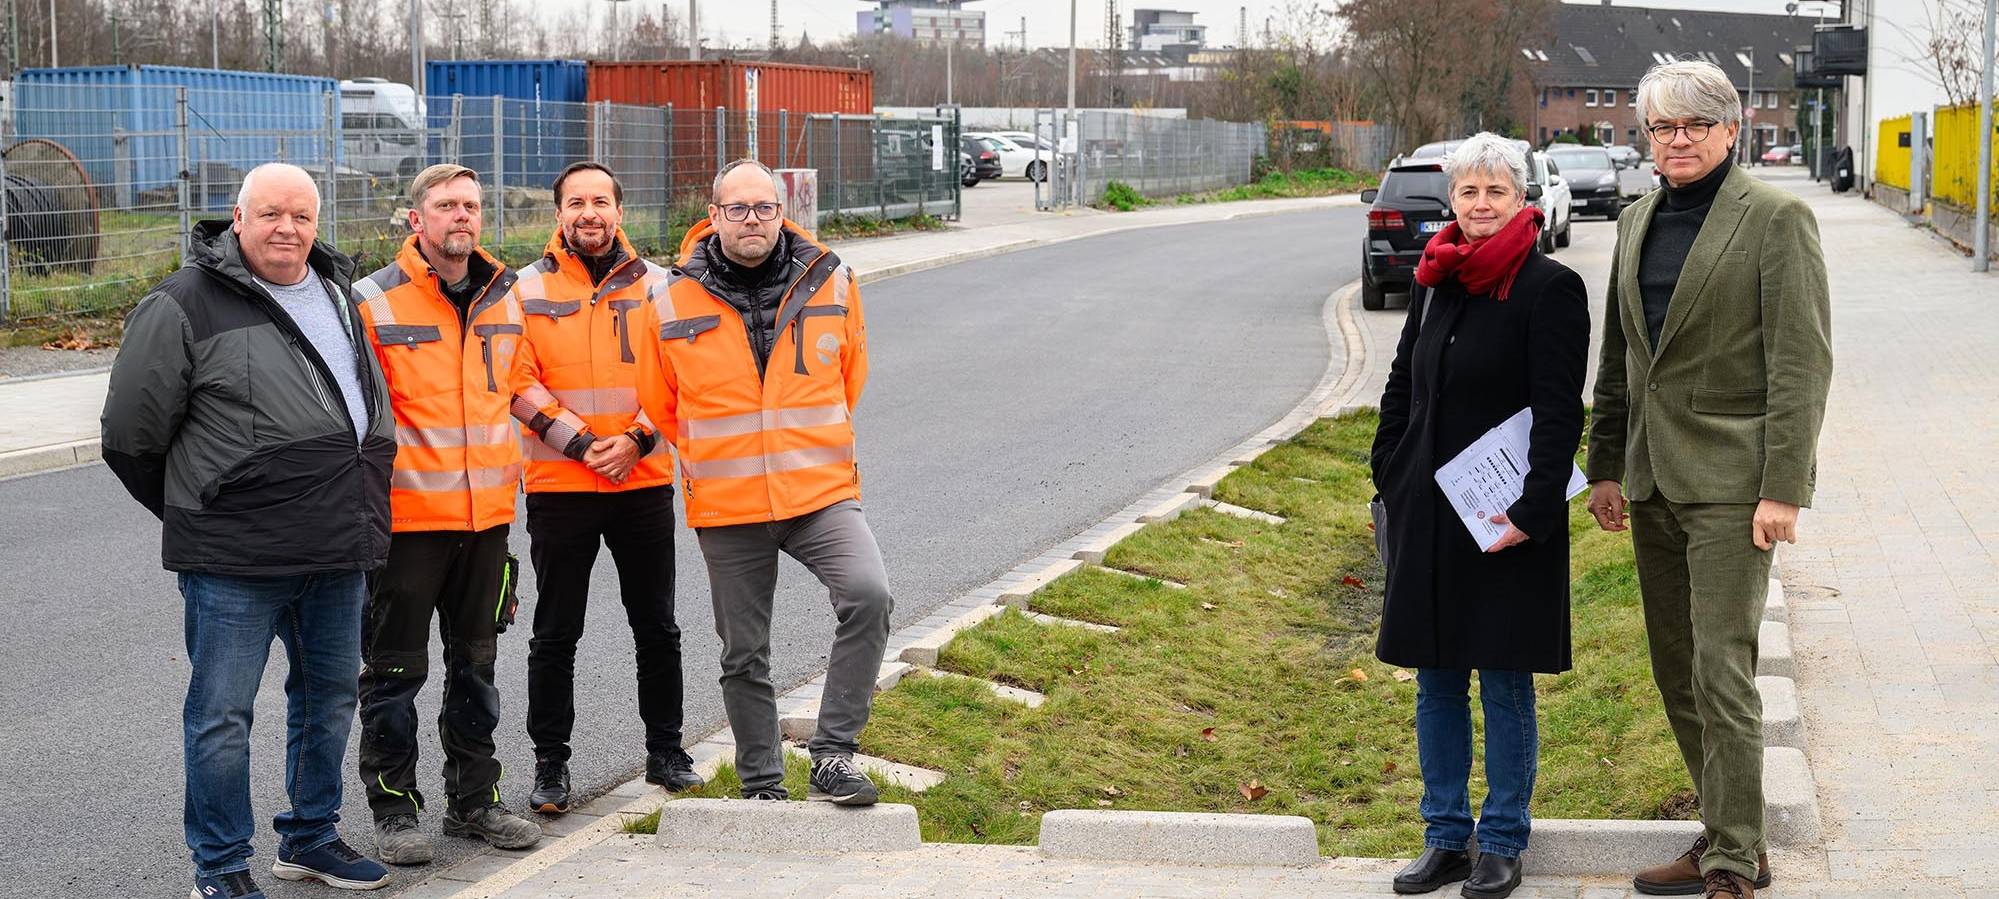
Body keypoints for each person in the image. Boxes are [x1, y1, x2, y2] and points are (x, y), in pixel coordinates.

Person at [102, 163, 395, 899]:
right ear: (238, 217)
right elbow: (131, 437)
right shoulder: (183, 303)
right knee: (221, 715)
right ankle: (220, 866)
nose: (286, 228)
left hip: (335, 546)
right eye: (270, 214)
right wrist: (204, 509)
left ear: (316, 222)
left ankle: (310, 837)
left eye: (300, 215)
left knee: (327, 698)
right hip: (235, 557)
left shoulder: (335, 290)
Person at [1587, 60, 1832, 899]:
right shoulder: (1633, 221)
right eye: (1662, 127)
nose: (1677, 139)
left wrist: (1783, 488)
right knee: (1674, 665)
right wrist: (1604, 468)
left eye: (1694, 124)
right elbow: (1619, 359)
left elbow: (1800, 363)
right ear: (1647, 138)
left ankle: (1731, 860)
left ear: (1732, 130)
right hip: (1652, 480)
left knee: (1721, 669)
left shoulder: (1775, 219)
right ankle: (1733, 832)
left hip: (1733, 481)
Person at [1370, 133, 1591, 899]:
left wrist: (1532, 511)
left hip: (1506, 522)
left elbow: (1561, 413)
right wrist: (1388, 466)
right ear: (1451, 199)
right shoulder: (1434, 279)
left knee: (1501, 679)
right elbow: (1402, 379)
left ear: (1521, 197)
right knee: (1435, 679)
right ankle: (1443, 839)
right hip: (1429, 513)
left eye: (1496, 191)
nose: (1480, 205)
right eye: (1468, 192)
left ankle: (1500, 839)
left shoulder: (1548, 287)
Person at [635, 158, 891, 805]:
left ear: (783, 212)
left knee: (868, 595)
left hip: (819, 492)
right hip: (728, 504)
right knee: (744, 652)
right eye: (738, 209)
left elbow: (849, 375)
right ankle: (762, 785)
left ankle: (833, 756)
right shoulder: (667, 297)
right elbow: (659, 400)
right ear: (713, 215)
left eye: (764, 208)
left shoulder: (833, 279)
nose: (752, 220)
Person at [351, 164, 543, 863]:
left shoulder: (506, 294)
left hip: (486, 522)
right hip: (406, 528)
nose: (460, 215)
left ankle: (474, 802)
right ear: (416, 220)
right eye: (445, 205)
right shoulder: (372, 300)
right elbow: (355, 417)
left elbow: (521, 386)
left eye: (471, 204)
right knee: (394, 674)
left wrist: (582, 440)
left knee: (476, 669)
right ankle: (396, 812)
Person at [511, 162, 703, 813]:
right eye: (575, 202)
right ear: (558, 213)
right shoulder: (525, 288)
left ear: (619, 210)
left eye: (599, 200)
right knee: (554, 631)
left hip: (641, 481)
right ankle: (550, 766)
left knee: (656, 624)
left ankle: (666, 750)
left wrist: (637, 440)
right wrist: (583, 443)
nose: (587, 212)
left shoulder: (660, 287)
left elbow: (685, 373)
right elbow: (516, 377)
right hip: (560, 485)